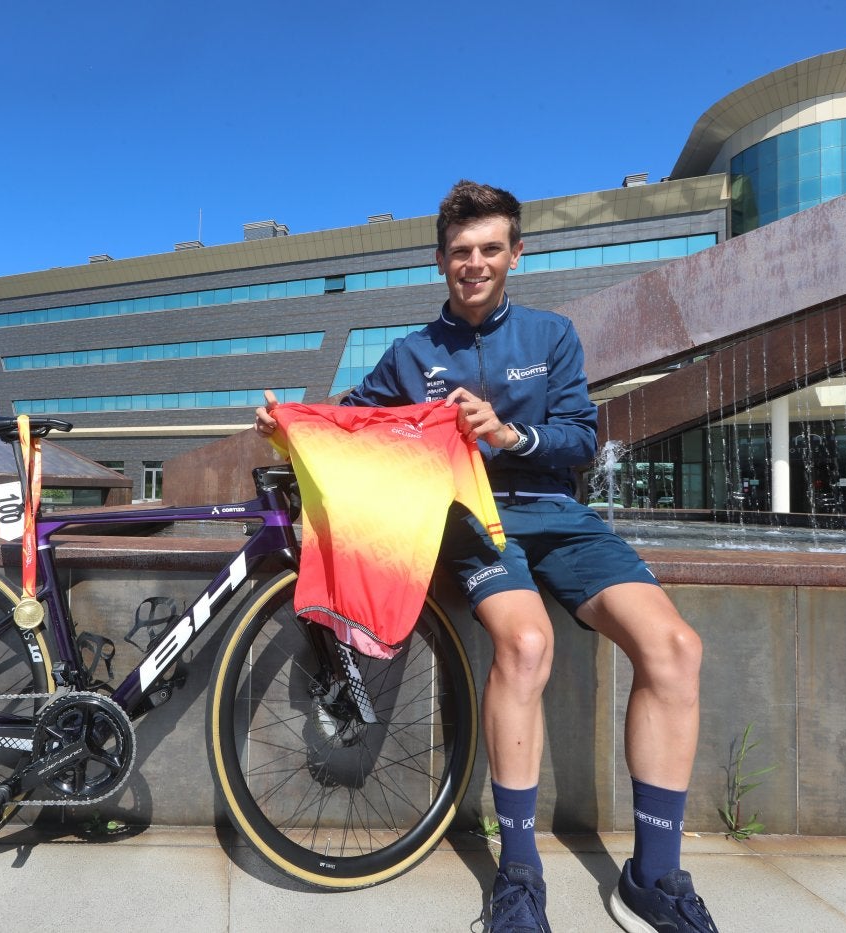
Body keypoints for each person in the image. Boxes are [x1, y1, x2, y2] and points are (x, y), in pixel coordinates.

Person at [254, 180, 718, 933]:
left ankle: (655, 874)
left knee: (675, 649)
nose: (475, 263)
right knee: (527, 644)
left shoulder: (552, 335)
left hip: (560, 516)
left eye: (490, 249)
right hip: (475, 524)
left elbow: (580, 437)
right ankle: (520, 872)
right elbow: (347, 421)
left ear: (515, 253)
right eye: (461, 251)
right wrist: (283, 424)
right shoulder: (410, 355)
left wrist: (508, 434)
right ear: (441, 260)